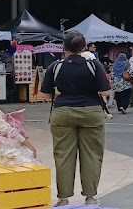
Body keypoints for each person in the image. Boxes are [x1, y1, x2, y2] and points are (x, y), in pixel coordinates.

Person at [40, 32, 110, 207]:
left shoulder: (55, 67)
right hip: (91, 112)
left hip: (62, 112)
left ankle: (63, 198)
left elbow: (45, 95)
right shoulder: (94, 65)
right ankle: (90, 197)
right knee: (92, 154)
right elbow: (105, 92)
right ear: (84, 47)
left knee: (63, 155)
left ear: (64, 48)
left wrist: (61, 93)